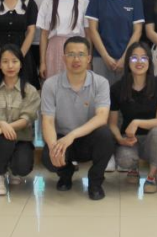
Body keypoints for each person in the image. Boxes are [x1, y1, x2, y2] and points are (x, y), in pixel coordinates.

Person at [41, 36, 115, 201]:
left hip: (88, 139)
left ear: (88, 58)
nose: (76, 59)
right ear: (63, 58)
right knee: (48, 157)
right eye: (71, 54)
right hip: (62, 139)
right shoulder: (50, 84)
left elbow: (102, 117)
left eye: (81, 54)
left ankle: (95, 182)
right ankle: (65, 174)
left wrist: (73, 135)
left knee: (106, 136)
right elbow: (48, 121)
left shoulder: (101, 82)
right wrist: (54, 148)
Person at [108, 42, 157, 194]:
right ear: (127, 62)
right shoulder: (117, 88)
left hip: (153, 139)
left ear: (149, 61)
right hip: (130, 140)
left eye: (143, 58)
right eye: (134, 58)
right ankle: (133, 168)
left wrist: (137, 122)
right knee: (124, 159)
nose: (139, 62)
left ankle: (151, 177)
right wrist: (120, 139)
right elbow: (112, 124)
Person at [0, 44, 41, 196]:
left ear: (21, 64)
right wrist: (1, 125)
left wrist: (4, 127)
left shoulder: (30, 91)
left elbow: (26, 119)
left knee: (22, 167)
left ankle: (13, 168)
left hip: (21, 140)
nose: (10, 66)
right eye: (5, 61)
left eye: (14, 61)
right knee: (4, 138)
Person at [86, 0, 144, 86]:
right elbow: (92, 30)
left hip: (128, 58)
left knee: (126, 93)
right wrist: (105, 57)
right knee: (101, 94)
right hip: (101, 57)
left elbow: (138, 31)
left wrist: (125, 57)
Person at [37, 0, 89, 80]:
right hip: (54, 50)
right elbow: (44, 35)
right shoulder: (47, 3)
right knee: (54, 85)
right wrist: (42, 62)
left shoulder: (84, 3)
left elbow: (88, 35)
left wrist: (88, 59)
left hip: (78, 50)